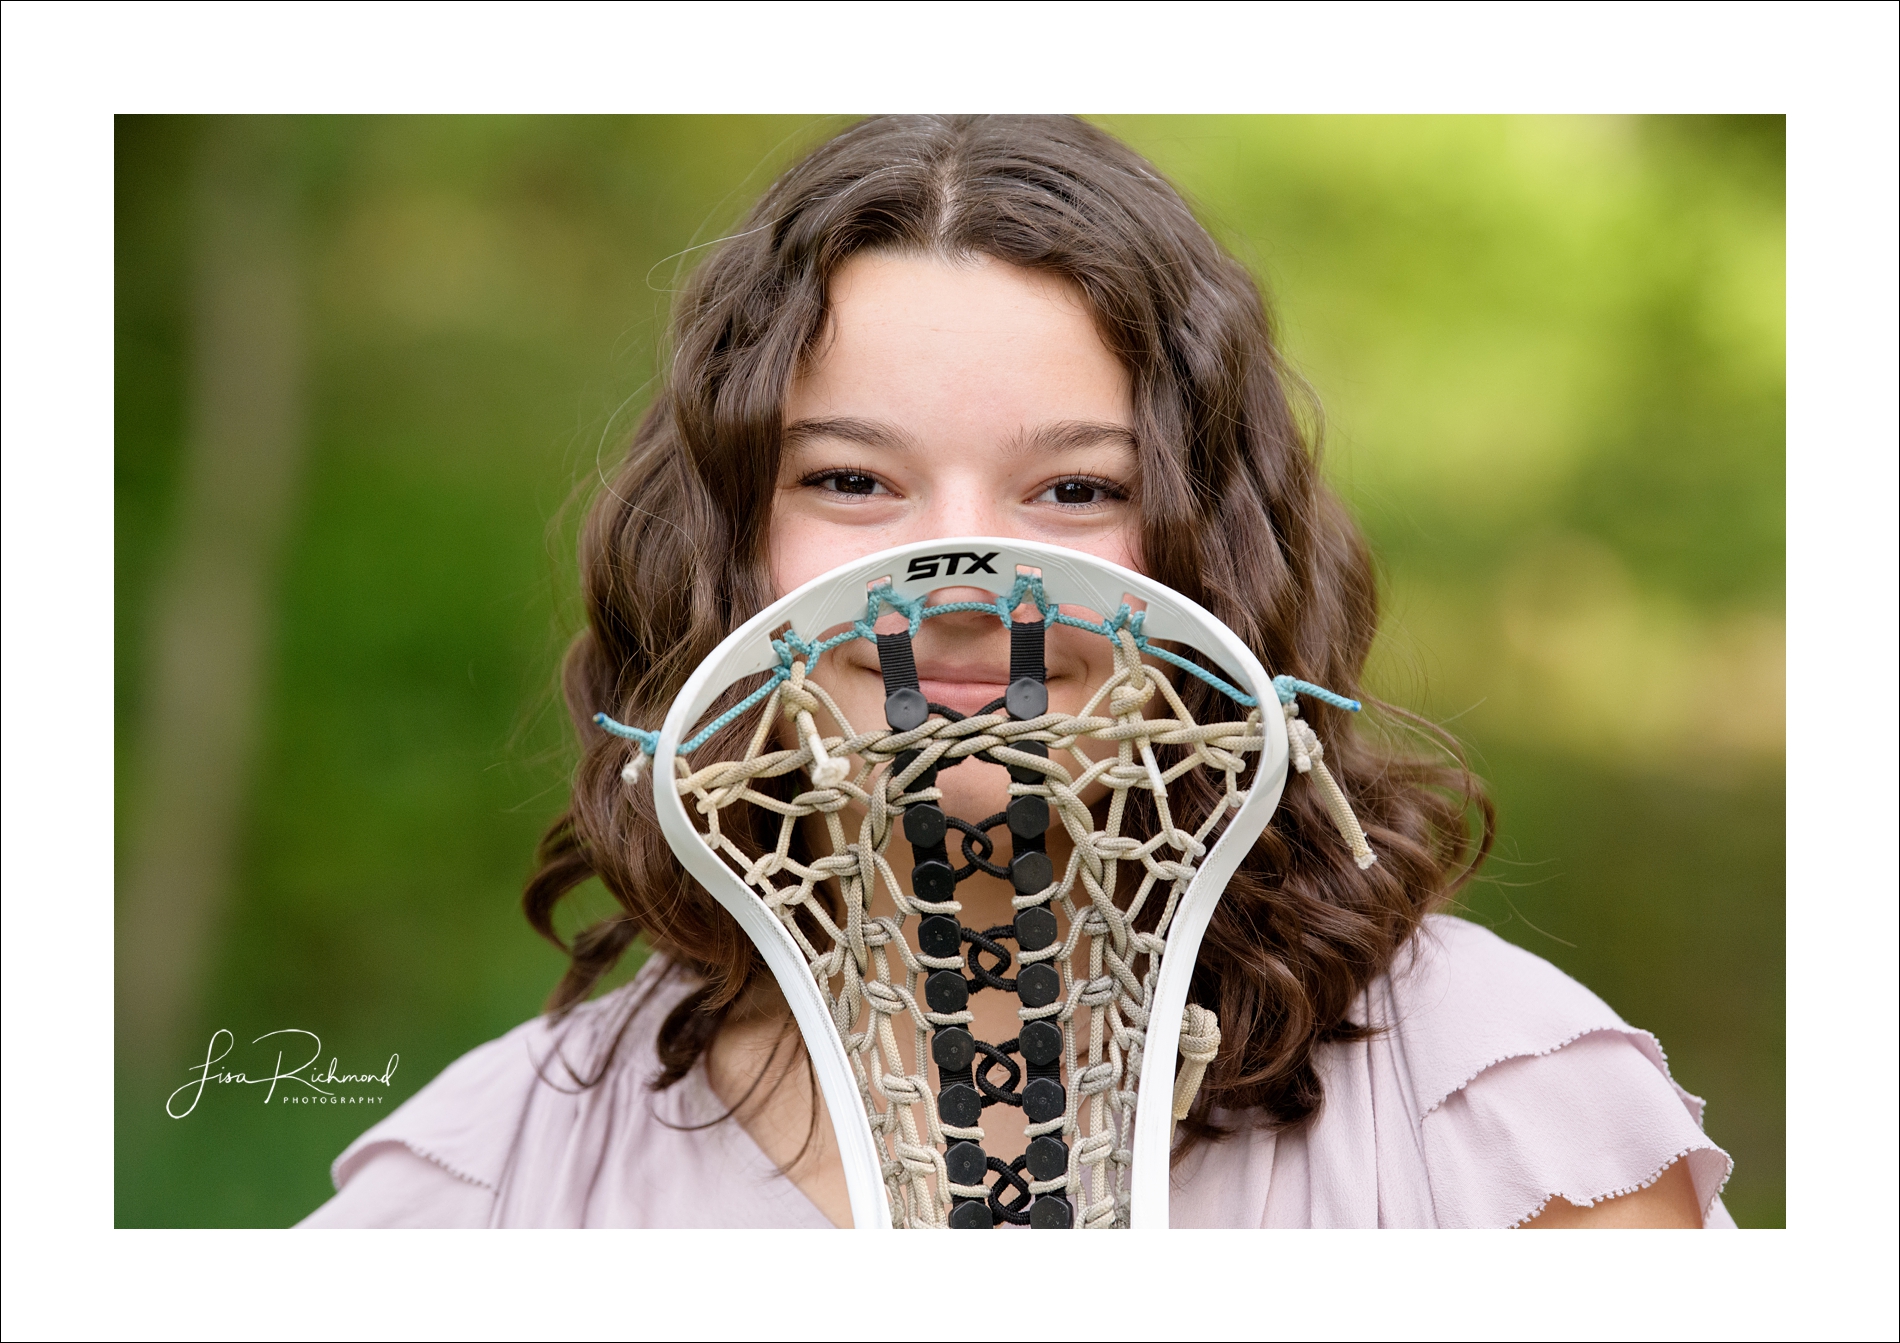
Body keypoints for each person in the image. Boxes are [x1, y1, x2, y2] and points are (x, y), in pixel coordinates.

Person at [301, 115, 1732, 1229]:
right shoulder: (485, 1193)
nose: (965, 587)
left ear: (1208, 550)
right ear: (725, 547)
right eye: (853, 480)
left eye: (1074, 492)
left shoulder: (1505, 1125)